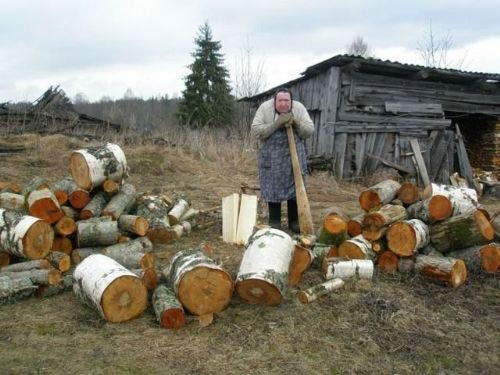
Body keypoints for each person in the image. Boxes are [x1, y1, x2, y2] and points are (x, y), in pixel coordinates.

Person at [251, 88, 314, 233]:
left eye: (287, 101)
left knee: (296, 186)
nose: (284, 104)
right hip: (272, 157)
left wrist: (296, 123)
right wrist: (277, 123)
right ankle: (274, 221)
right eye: (280, 100)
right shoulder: (265, 108)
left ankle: (294, 221)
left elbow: (309, 131)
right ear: (275, 101)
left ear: (291, 101)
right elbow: (255, 131)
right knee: (273, 187)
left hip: (294, 156)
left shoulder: (299, 108)